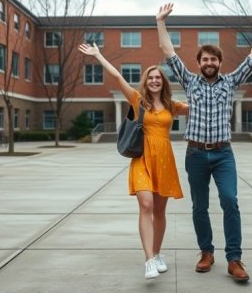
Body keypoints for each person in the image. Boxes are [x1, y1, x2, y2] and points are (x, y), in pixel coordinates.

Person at [155, 1, 252, 282]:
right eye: (205, 59)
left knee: (230, 200)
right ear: (199, 63)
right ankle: (206, 252)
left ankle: (234, 259)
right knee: (199, 206)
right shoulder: (190, 82)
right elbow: (168, 51)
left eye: (213, 59)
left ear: (220, 63)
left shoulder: (230, 82)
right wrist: (161, 22)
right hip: (195, 155)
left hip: (223, 155)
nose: (209, 63)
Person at [78, 43, 188, 279]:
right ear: (146, 82)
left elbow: (200, 107)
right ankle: (149, 259)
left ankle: (157, 254)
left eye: (158, 77)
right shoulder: (137, 99)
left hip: (165, 161)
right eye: (151, 78)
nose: (155, 81)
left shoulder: (172, 105)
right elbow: (117, 77)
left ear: (163, 81)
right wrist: (98, 55)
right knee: (146, 205)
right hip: (142, 159)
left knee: (159, 212)